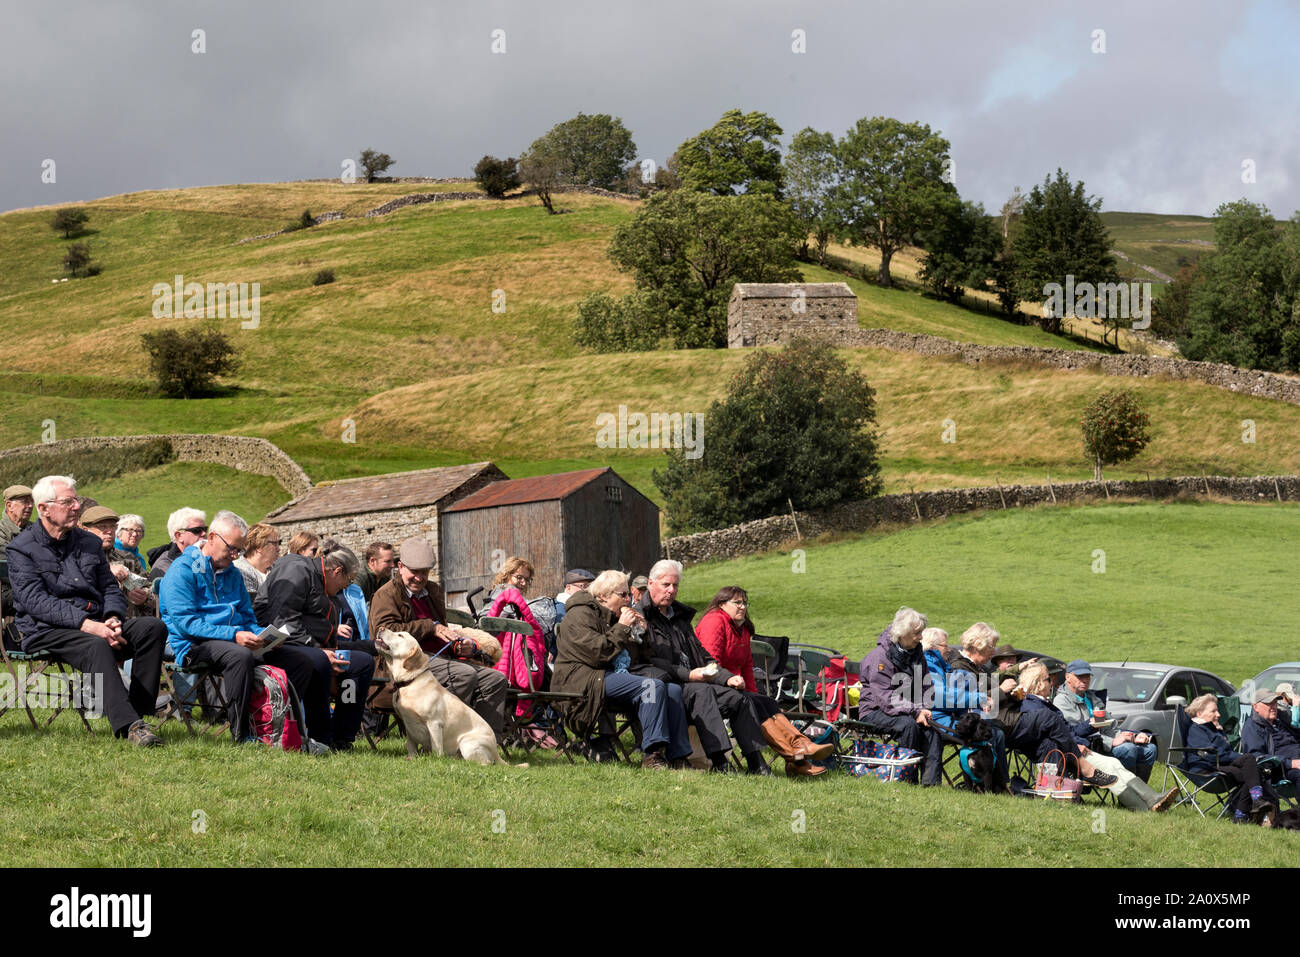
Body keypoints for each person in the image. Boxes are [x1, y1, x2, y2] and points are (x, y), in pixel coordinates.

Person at [6, 475, 165, 746]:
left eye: (76, 501)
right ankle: (129, 725)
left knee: (153, 628)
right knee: (96, 644)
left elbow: (110, 588)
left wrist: (113, 618)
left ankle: (137, 716)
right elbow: (35, 601)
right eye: (68, 502)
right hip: (46, 629)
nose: (77, 507)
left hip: (96, 622)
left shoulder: (88, 543)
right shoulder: (22, 549)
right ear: (44, 508)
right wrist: (88, 625)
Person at [635, 560, 826, 776]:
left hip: (695, 681)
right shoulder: (640, 616)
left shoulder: (679, 618)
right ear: (651, 583)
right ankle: (721, 761)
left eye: (675, 586)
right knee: (704, 691)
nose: (671, 591)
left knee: (740, 698)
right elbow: (649, 661)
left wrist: (726, 678)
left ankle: (757, 762)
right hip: (669, 685)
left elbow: (706, 657)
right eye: (666, 584)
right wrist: (689, 674)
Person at [369, 537, 508, 741]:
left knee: (495, 679)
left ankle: (484, 742)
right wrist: (430, 626)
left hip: (438, 660)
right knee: (464, 674)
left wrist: (457, 646)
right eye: (414, 572)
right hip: (406, 666)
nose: (419, 577)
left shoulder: (433, 591)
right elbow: (386, 633)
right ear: (400, 567)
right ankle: (446, 740)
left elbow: (439, 634)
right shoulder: (386, 594)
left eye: (424, 572)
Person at [553, 570, 693, 769]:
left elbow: (636, 660)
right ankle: (652, 755)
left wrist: (641, 634)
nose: (629, 599)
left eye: (628, 594)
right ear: (603, 596)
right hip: (582, 677)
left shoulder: (613, 616)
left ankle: (678, 756)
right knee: (650, 687)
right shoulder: (579, 615)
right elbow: (598, 654)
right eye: (623, 595)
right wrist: (622, 627)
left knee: (673, 689)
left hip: (610, 675)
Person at [254, 542, 375, 750]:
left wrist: (330, 651)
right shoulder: (297, 571)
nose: (347, 587)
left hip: (315, 646)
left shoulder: (325, 584)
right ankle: (320, 735)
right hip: (278, 644)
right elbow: (283, 621)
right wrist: (320, 651)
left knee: (360, 663)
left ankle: (342, 736)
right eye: (348, 580)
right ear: (337, 571)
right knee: (320, 661)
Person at [159, 510, 260, 742]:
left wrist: (260, 635)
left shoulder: (232, 573)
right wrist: (234, 634)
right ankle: (242, 733)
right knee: (240, 656)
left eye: (239, 550)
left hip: (231, 642)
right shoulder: (183, 570)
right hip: (192, 645)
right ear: (212, 538)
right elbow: (187, 625)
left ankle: (303, 730)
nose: (235, 555)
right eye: (232, 548)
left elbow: (246, 615)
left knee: (296, 655)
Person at [859, 607, 945, 786]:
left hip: (908, 710)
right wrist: (915, 711)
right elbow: (885, 697)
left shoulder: (916, 652)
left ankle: (931, 785)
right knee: (908, 726)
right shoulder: (880, 657)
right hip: (874, 710)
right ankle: (907, 780)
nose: (921, 637)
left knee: (932, 730)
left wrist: (924, 709)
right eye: (917, 633)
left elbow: (925, 684)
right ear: (902, 633)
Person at [1011, 663, 1125, 790]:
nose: (1053, 682)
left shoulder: (1042, 704)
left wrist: (1090, 725)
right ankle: (1143, 803)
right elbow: (1055, 737)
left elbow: (1067, 731)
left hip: (1075, 749)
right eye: (1049, 679)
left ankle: (1147, 801)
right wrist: (1078, 744)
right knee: (1112, 764)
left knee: (1116, 762)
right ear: (1039, 684)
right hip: (1066, 754)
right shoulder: (1034, 707)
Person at [920, 626, 1010, 776]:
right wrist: (979, 699)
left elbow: (955, 689)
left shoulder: (941, 666)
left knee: (994, 731)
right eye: (945, 645)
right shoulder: (929, 666)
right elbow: (941, 696)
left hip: (948, 716)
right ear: (933, 647)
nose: (949, 649)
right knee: (990, 733)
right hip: (935, 719)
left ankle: (998, 783)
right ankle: (987, 783)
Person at [1053, 659, 1157, 781]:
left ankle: (1141, 793)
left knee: (1150, 749)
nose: (1085, 680)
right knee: (1128, 749)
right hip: (1088, 749)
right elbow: (1074, 733)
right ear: (1067, 677)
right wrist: (1111, 742)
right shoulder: (1061, 701)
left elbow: (1111, 725)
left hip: (1105, 744)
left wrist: (1133, 736)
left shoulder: (1093, 698)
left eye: (1087, 676)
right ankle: (1128, 795)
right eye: (1080, 676)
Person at [1185, 692, 1279, 824]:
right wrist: (1237, 756)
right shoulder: (1197, 730)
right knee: (1249, 763)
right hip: (1205, 769)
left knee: (1252, 773)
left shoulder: (1211, 729)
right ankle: (1253, 805)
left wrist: (1218, 732)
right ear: (1199, 714)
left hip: (1218, 764)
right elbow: (1210, 754)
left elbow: (1222, 751)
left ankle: (1243, 814)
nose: (1218, 714)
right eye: (1214, 711)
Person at [80, 505, 154, 618]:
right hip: (95, 625)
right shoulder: (75, 559)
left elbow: (153, 590)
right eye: (102, 527)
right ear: (85, 530)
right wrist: (105, 570)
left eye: (112, 527)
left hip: (132, 625)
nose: (109, 531)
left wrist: (145, 598)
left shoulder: (128, 558)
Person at [694, 586, 758, 692]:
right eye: (737, 603)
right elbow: (710, 664)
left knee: (766, 703)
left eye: (745, 603)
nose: (743, 607)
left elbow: (747, 667)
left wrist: (753, 693)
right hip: (714, 686)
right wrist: (728, 680)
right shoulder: (714, 621)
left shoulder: (743, 628)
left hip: (736, 686)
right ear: (721, 604)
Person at [1240, 688, 1300, 794]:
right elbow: (1256, 756)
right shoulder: (1252, 727)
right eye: (1269, 704)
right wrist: (1290, 763)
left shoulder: (1280, 719)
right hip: (1280, 769)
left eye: (1275, 703)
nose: (1273, 707)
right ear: (1255, 706)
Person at [0, 484, 34, 622]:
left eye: (32, 501)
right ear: (9, 506)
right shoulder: (1, 534)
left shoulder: (36, 529)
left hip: (33, 587)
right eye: (25, 501)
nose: (30, 506)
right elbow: (10, 572)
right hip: (7, 591)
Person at [148, 507, 207, 582]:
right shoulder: (164, 568)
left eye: (205, 529)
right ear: (179, 536)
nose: (204, 533)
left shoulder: (205, 557)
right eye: (197, 530)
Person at [233, 523, 280, 597]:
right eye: (275, 544)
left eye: (279, 543)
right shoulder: (240, 570)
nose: (278, 549)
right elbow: (254, 605)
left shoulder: (276, 570)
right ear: (259, 546)